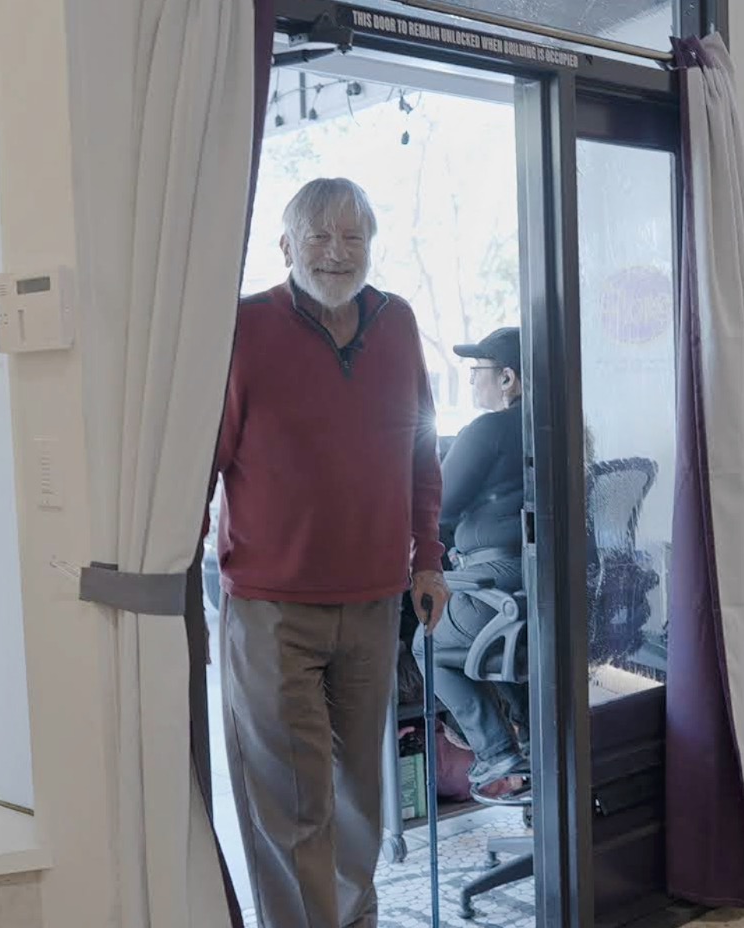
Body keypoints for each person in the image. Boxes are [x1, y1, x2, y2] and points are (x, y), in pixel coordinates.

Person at [211, 177, 450, 928]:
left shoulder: (398, 321)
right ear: (287, 246)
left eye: (353, 237)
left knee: (358, 795)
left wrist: (428, 557)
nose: (337, 252)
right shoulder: (246, 326)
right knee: (289, 798)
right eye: (318, 236)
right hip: (270, 606)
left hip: (375, 601)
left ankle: (355, 921)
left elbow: (420, 450)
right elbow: (207, 458)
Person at [414, 326, 529, 800]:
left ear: (507, 379)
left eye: (477, 372)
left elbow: (438, 506)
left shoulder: (489, 430)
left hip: (496, 587)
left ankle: (497, 750)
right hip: (541, 589)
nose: (472, 383)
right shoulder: (564, 427)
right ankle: (532, 737)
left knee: (426, 646)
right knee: (516, 656)